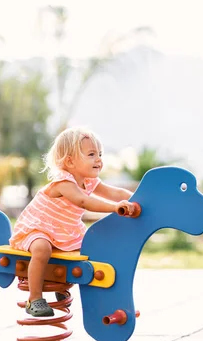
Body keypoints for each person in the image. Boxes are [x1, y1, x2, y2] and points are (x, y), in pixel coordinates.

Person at [9, 126, 135, 317]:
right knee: (42, 249)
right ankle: (34, 298)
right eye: (91, 154)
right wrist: (114, 208)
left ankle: (61, 283)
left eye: (100, 154)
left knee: (89, 247)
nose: (99, 159)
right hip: (39, 227)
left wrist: (136, 199)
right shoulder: (64, 182)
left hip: (65, 230)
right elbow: (83, 201)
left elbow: (114, 192)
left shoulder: (90, 181)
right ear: (69, 161)